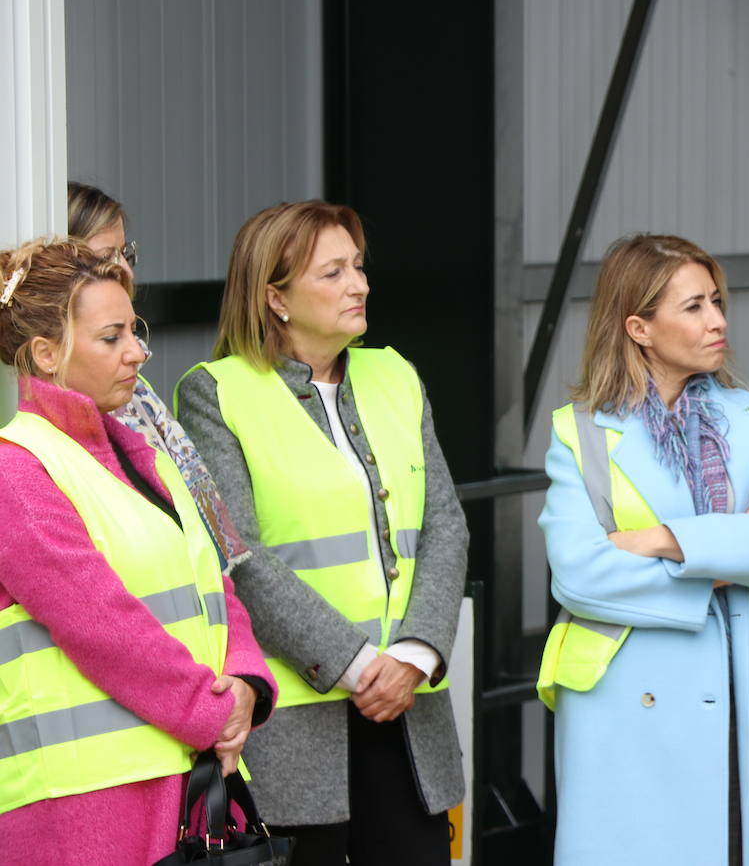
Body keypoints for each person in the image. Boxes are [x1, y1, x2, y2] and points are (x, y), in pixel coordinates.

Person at [175, 200, 467, 866]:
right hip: (298, 722)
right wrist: (363, 666)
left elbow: (445, 523)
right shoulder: (214, 393)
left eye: (358, 267)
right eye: (332, 272)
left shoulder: (396, 374)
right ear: (275, 297)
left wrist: (417, 656)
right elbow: (239, 553)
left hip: (409, 710)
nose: (358, 285)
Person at [536, 234, 749, 866]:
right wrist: (727, 555)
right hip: (624, 699)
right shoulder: (581, 431)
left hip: (748, 686)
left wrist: (663, 539)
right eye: (694, 306)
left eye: (717, 301)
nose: (718, 320)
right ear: (639, 327)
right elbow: (580, 574)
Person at [0, 239, 275, 866]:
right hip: (83, 811)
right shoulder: (15, 473)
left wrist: (248, 685)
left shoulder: (143, 455)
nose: (138, 351)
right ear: (45, 354)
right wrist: (216, 713)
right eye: (112, 337)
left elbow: (215, 586)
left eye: (137, 330)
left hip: (186, 784)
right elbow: (102, 625)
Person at [67, 180, 251, 569]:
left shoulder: (136, 390)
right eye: (103, 257)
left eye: (124, 254)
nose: (122, 270)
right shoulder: (69, 388)